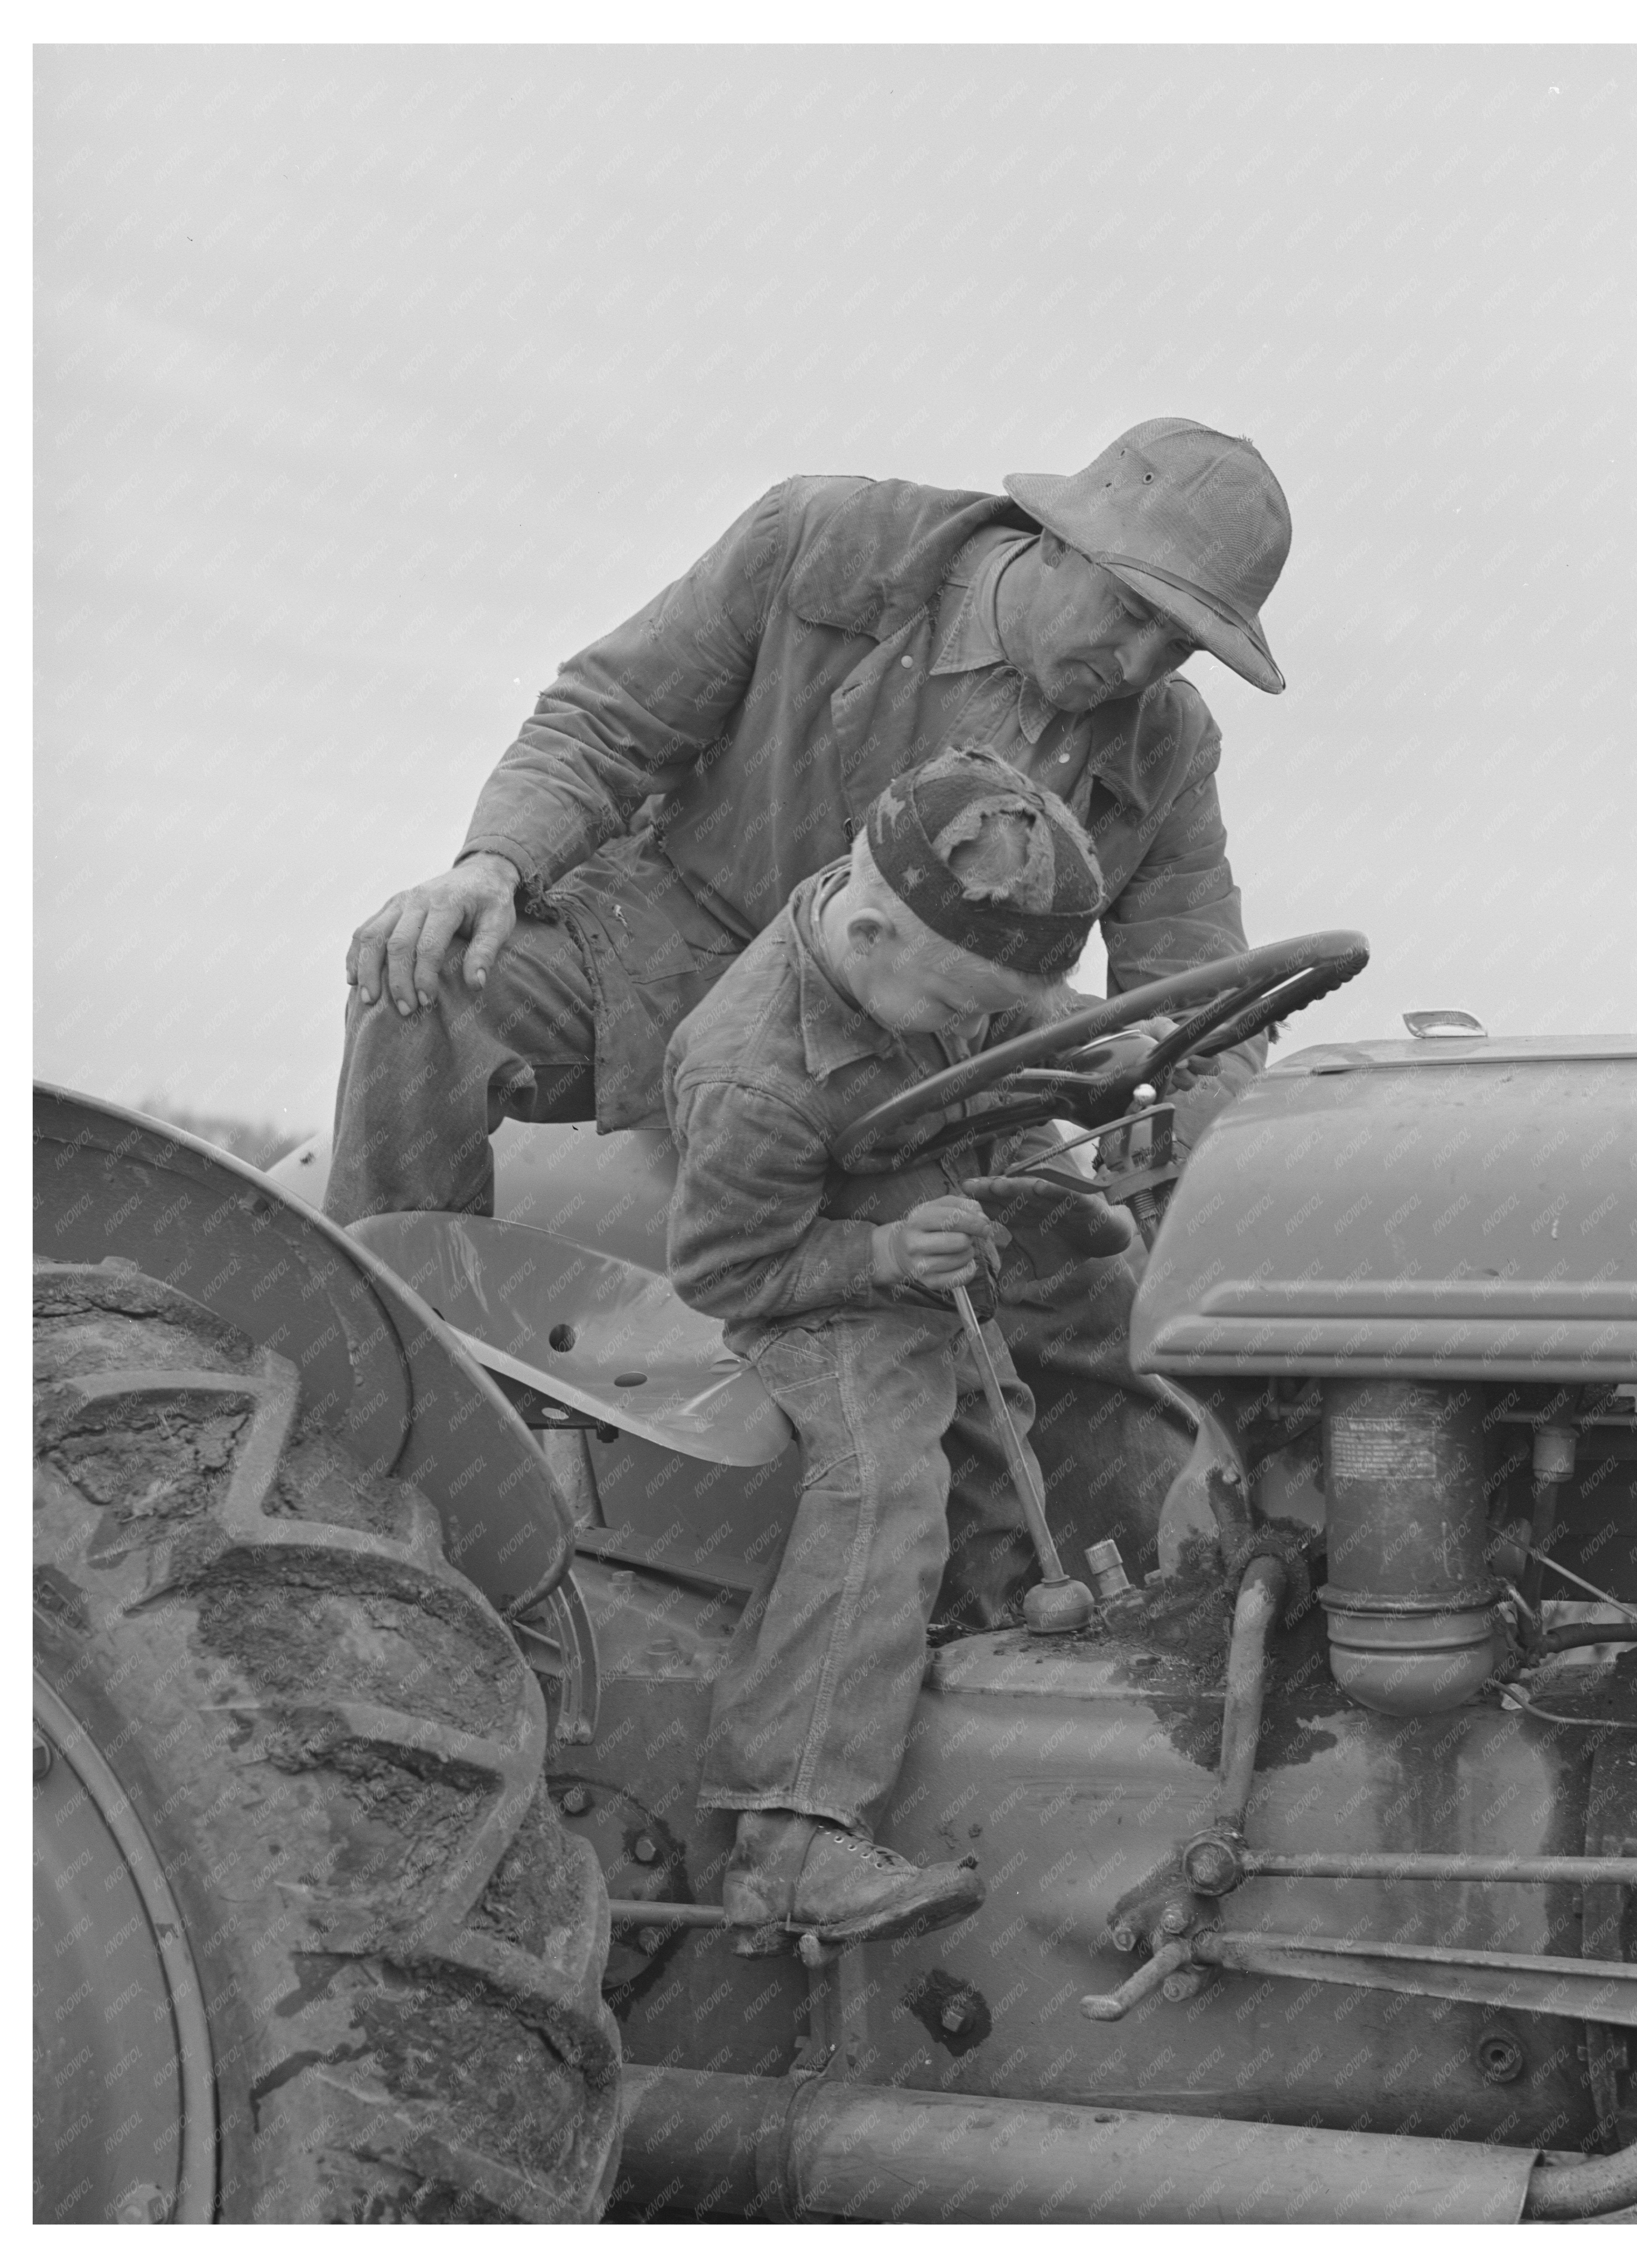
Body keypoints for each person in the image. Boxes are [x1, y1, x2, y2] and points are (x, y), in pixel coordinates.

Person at [324, 415, 1293, 1570]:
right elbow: (605, 721)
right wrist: (493, 865)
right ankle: (371, 1418)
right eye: (1131, 612)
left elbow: (1185, 974)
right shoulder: (822, 550)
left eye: (1177, 645)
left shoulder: (1166, 744)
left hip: (934, 1061)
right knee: (423, 981)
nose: (1137, 665)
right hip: (669, 960)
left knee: (1087, 1292)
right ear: (1057, 536)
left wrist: (1208, 1117)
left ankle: (1147, 1625)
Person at [663, 750, 1129, 1950]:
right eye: (960, 1012)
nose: (977, 1028)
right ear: (864, 935)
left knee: (1004, 1418)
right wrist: (877, 1259)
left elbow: (1001, 1012)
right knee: (881, 1480)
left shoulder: (920, 943)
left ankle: (993, 1648)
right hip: (814, 1290)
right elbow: (727, 1271)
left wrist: (1089, 1053)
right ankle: (791, 1835)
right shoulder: (751, 1078)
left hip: (928, 1225)